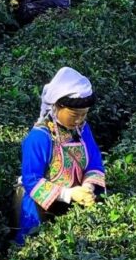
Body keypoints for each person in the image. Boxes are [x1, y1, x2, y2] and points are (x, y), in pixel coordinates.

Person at [14, 66, 106, 245]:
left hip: (79, 199)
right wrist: (68, 194)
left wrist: (87, 188)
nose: (79, 120)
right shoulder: (39, 137)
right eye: (74, 115)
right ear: (56, 106)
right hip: (40, 207)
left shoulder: (83, 130)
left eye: (84, 115)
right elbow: (31, 180)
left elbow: (95, 163)